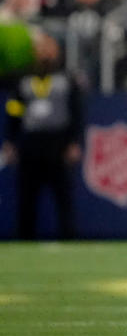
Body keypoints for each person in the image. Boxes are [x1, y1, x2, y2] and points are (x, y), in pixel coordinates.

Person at [2, 38, 83, 240]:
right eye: (40, 49)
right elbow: (14, 110)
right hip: (31, 142)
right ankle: (25, 238)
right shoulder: (23, 78)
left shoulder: (67, 77)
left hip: (58, 142)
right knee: (27, 196)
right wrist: (11, 140)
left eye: (48, 48)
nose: (44, 53)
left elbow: (76, 111)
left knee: (63, 196)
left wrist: (74, 141)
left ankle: (69, 238)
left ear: (57, 51)